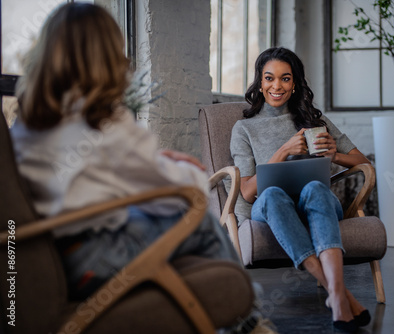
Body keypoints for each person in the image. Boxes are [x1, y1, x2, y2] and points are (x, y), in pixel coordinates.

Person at [10, 3, 275, 334]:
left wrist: (151, 167)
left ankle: (230, 310)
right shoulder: (104, 118)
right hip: (94, 257)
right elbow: (182, 194)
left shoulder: (26, 123)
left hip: (46, 259)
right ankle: (244, 317)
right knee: (199, 221)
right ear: (108, 56)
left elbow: (85, 182)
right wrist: (175, 167)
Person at [230, 47, 372, 333]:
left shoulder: (315, 123)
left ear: (295, 84)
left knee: (316, 190)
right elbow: (246, 192)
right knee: (271, 194)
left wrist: (335, 156)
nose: (277, 86)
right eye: (269, 78)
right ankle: (340, 296)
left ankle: (336, 295)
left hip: (316, 201)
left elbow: (362, 162)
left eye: (285, 78)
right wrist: (282, 151)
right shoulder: (243, 129)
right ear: (260, 82)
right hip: (270, 206)